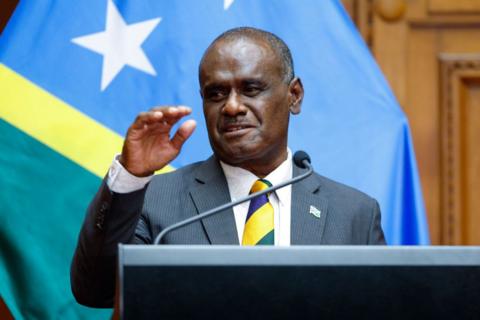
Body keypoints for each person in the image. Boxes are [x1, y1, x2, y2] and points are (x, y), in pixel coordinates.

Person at [71, 27, 386, 308]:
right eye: (216, 94)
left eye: (251, 89)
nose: (232, 106)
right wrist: (131, 175)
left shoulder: (354, 213)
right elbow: (94, 290)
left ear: (294, 95)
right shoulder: (154, 200)